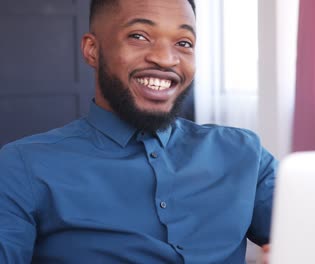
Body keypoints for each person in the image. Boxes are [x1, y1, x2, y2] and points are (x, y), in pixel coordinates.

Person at [0, 0, 277, 263]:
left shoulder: (246, 154)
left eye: (183, 43)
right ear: (92, 50)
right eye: (139, 36)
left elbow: (312, 236)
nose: (165, 59)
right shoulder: (22, 167)